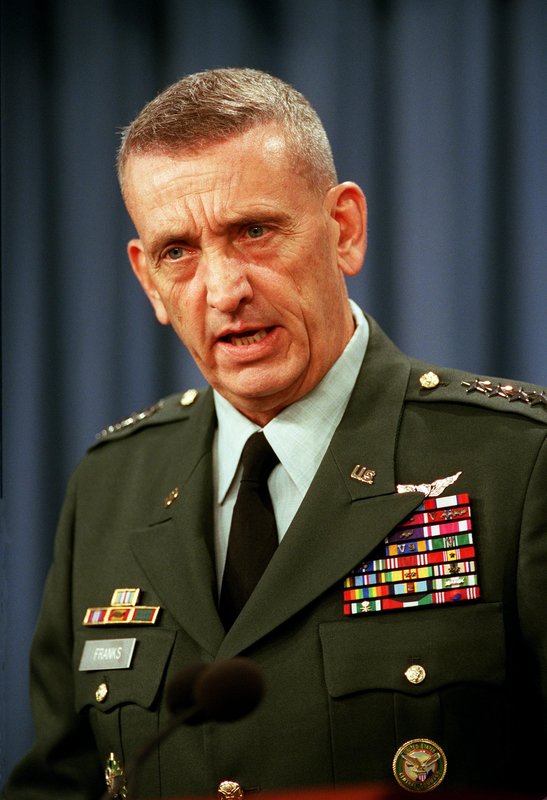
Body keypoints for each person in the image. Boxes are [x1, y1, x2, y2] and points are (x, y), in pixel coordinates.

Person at [4, 68, 546, 800]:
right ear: (148, 280)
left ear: (344, 229)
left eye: (254, 232)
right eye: (178, 252)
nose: (224, 291)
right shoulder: (110, 484)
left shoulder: (518, 461)